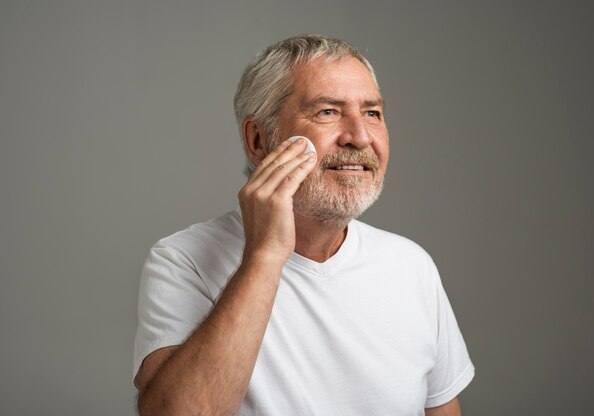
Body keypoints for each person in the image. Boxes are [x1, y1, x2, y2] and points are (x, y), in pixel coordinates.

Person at [133, 34, 474, 416]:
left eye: (373, 113)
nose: (359, 136)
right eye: (327, 111)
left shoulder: (412, 266)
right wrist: (264, 256)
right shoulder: (184, 261)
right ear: (259, 140)